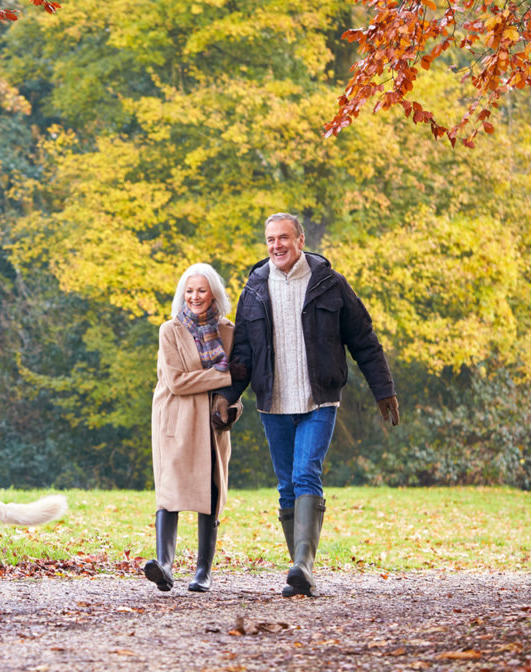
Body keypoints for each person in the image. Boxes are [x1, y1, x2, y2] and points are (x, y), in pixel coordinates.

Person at [215, 213, 399, 598]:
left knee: (305, 474)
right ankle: (299, 571)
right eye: (270, 240)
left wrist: (383, 389)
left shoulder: (330, 284)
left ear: (300, 240)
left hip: (320, 398)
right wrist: (228, 397)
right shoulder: (255, 288)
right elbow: (244, 353)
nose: (276, 246)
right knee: (286, 486)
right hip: (273, 401)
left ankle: (304, 566)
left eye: (283, 238)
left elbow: (363, 338)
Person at [145, 263, 244, 593]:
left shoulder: (230, 331)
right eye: (189, 291)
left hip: (212, 423)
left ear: (213, 292)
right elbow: (177, 382)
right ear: (181, 295)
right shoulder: (169, 330)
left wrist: (232, 406)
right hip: (176, 418)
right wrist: (227, 375)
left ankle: (203, 571)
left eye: (201, 290)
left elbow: (238, 388)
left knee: (211, 492)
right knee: (170, 492)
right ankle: (164, 565)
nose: (195, 296)